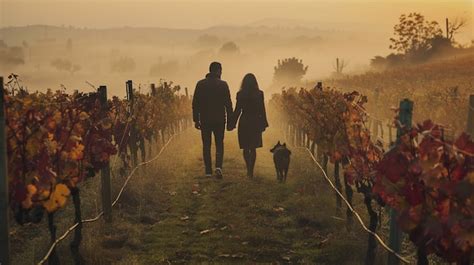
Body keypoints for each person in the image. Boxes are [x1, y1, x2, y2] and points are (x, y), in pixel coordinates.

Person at [192, 62, 233, 178]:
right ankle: (218, 167)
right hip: (220, 120)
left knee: (206, 145)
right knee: (219, 144)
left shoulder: (200, 84)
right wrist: (230, 121)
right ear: (218, 70)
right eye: (221, 70)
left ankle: (208, 171)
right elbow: (228, 104)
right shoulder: (223, 85)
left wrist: (196, 119)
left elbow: (195, 103)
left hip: (205, 120)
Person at [229, 73, 268, 178]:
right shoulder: (259, 94)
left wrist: (232, 123)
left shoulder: (240, 94)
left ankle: (248, 169)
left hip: (245, 121)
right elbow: (262, 110)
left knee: (246, 147)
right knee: (253, 147)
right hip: (255, 121)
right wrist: (264, 123)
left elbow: (237, 110)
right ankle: (251, 169)